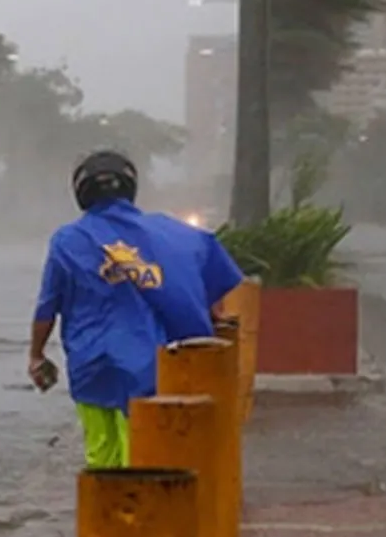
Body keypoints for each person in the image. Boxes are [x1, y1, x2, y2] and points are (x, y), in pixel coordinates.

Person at [28, 150, 244, 468]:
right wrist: (211, 313)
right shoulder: (168, 232)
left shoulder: (67, 240)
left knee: (101, 454)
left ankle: (106, 515)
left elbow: (47, 307)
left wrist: (36, 355)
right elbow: (205, 267)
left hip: (90, 366)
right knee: (143, 453)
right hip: (148, 365)